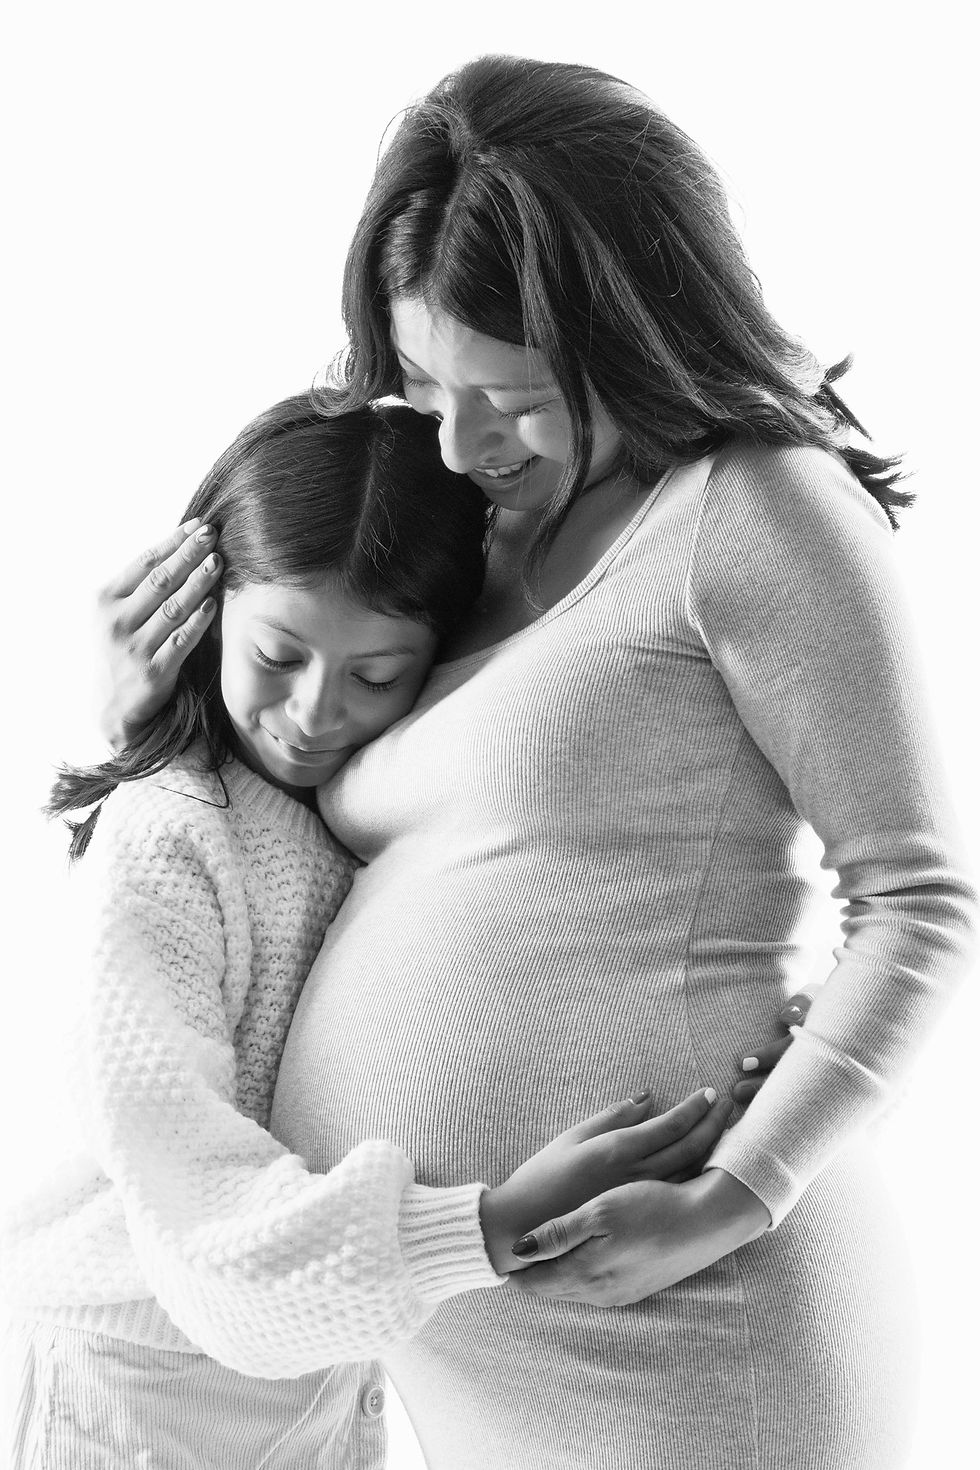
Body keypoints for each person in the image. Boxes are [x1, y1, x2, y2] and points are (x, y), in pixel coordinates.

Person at [88, 56, 976, 1470]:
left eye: (504, 393)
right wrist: (159, 704)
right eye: (424, 378)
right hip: (474, 1337)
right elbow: (309, 776)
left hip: (697, 1319)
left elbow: (924, 899)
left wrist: (737, 1191)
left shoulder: (750, 509)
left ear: (633, 330)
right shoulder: (464, 527)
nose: (453, 437)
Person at [1, 394, 744, 1468]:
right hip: (127, 1394)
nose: (311, 712)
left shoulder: (365, 815)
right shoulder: (169, 833)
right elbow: (187, 1182)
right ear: (202, 610)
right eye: (275, 654)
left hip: (316, 1385)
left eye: (376, 675)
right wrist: (480, 1226)